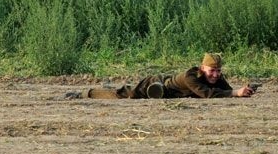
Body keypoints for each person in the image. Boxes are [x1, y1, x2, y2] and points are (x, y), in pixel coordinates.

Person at [77, 53, 256, 99]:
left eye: (218, 71)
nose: (215, 75)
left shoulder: (215, 76)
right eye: (212, 71)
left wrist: (245, 91)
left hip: (169, 89)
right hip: (157, 85)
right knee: (123, 95)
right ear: (202, 67)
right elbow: (207, 94)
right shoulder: (190, 76)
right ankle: (86, 93)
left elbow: (226, 90)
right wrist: (234, 94)